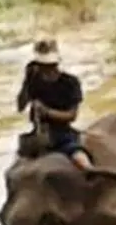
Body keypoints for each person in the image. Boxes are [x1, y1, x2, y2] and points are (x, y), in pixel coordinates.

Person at [13, 39, 91, 167]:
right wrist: (26, 82)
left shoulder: (70, 82)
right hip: (38, 135)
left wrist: (47, 112)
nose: (46, 68)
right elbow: (20, 107)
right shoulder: (33, 80)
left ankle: (90, 172)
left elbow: (72, 115)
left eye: (49, 65)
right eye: (42, 65)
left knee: (80, 159)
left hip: (63, 134)